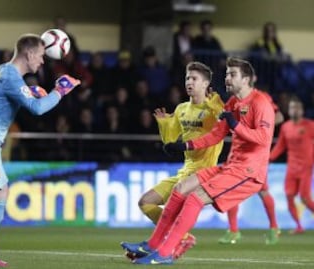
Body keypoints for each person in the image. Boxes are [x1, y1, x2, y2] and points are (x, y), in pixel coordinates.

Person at [121, 57, 275, 265]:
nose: (227, 78)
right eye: (227, 74)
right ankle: (153, 245)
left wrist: (235, 125)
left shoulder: (260, 102)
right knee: (181, 187)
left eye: (232, 74)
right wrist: (185, 146)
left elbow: (264, 139)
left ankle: (166, 252)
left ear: (246, 79)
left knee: (195, 197)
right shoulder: (232, 104)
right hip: (231, 166)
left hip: (249, 171)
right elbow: (216, 134)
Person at [0, 33, 80, 268]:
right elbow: (37, 109)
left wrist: (29, 91)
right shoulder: (10, 76)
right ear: (30, 53)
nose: (43, 61)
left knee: (1, 192)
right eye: (42, 56)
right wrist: (60, 91)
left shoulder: (2, 72)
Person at [131, 61, 224, 259]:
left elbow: (221, 120)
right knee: (145, 202)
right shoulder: (182, 109)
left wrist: (213, 102)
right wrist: (164, 124)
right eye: (187, 78)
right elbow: (170, 142)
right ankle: (184, 237)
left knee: (176, 207)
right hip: (184, 172)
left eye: (194, 79)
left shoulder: (213, 109)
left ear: (206, 83)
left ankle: (162, 245)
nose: (189, 82)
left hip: (204, 173)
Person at [218, 88, 283, 245]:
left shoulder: (262, 98)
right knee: (230, 188)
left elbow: (279, 117)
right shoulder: (233, 100)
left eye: (233, 74)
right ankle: (233, 231)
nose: (229, 79)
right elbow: (222, 120)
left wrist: (260, 126)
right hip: (238, 152)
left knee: (262, 190)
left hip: (256, 154)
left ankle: (274, 228)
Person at [269, 96, 314, 234]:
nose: (295, 110)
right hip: (292, 167)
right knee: (289, 196)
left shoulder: (310, 125)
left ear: (302, 111)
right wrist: (268, 158)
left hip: (306, 166)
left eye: (297, 108)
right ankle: (299, 226)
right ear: (289, 110)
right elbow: (281, 146)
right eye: (292, 108)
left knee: (305, 198)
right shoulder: (285, 127)